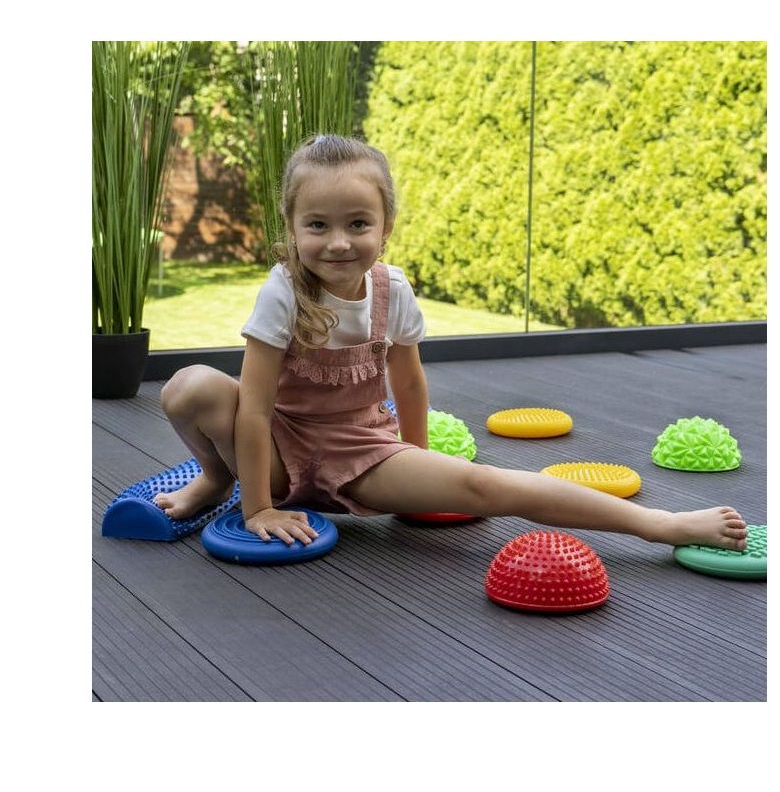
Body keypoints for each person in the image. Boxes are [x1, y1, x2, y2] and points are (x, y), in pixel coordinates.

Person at [155, 134, 748, 552]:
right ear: (292, 226)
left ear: (386, 227)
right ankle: (217, 479)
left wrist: (418, 467)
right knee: (190, 386)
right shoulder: (283, 290)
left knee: (484, 483)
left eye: (358, 223)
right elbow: (255, 409)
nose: (338, 242)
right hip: (279, 454)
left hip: (362, 451)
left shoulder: (392, 291)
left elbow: (409, 383)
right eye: (317, 225)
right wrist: (259, 506)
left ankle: (660, 524)